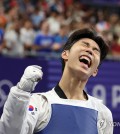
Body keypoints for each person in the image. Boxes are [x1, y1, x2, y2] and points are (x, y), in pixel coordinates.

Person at [0, 28, 113, 134]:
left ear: (95, 71)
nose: (90, 51)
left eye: (95, 50)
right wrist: (21, 92)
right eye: (85, 45)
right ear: (65, 54)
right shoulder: (39, 103)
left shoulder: (103, 114)